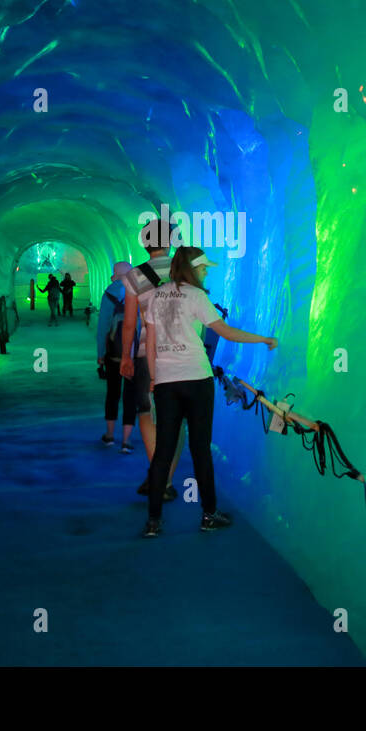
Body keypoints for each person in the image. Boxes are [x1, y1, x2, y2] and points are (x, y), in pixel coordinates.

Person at [140, 246, 277, 539]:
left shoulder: (156, 296)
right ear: (192, 268)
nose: (206, 271)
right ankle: (208, 515)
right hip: (196, 379)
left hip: (165, 382)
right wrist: (263, 339)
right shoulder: (197, 296)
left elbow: (150, 343)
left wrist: (154, 378)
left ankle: (153, 521)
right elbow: (226, 332)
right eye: (203, 268)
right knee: (200, 448)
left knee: (164, 448)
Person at [120, 215, 181, 501]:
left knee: (147, 412)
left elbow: (129, 323)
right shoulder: (184, 270)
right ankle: (165, 480)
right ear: (168, 241)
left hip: (148, 353)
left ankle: (157, 475)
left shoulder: (134, 276)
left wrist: (126, 356)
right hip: (183, 353)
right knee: (177, 419)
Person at [97, 263, 137, 453]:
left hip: (113, 354)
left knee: (112, 394)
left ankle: (110, 436)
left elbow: (103, 327)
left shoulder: (109, 294)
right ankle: (126, 441)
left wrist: (100, 354)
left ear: (115, 275)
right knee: (131, 396)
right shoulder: (139, 291)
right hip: (133, 354)